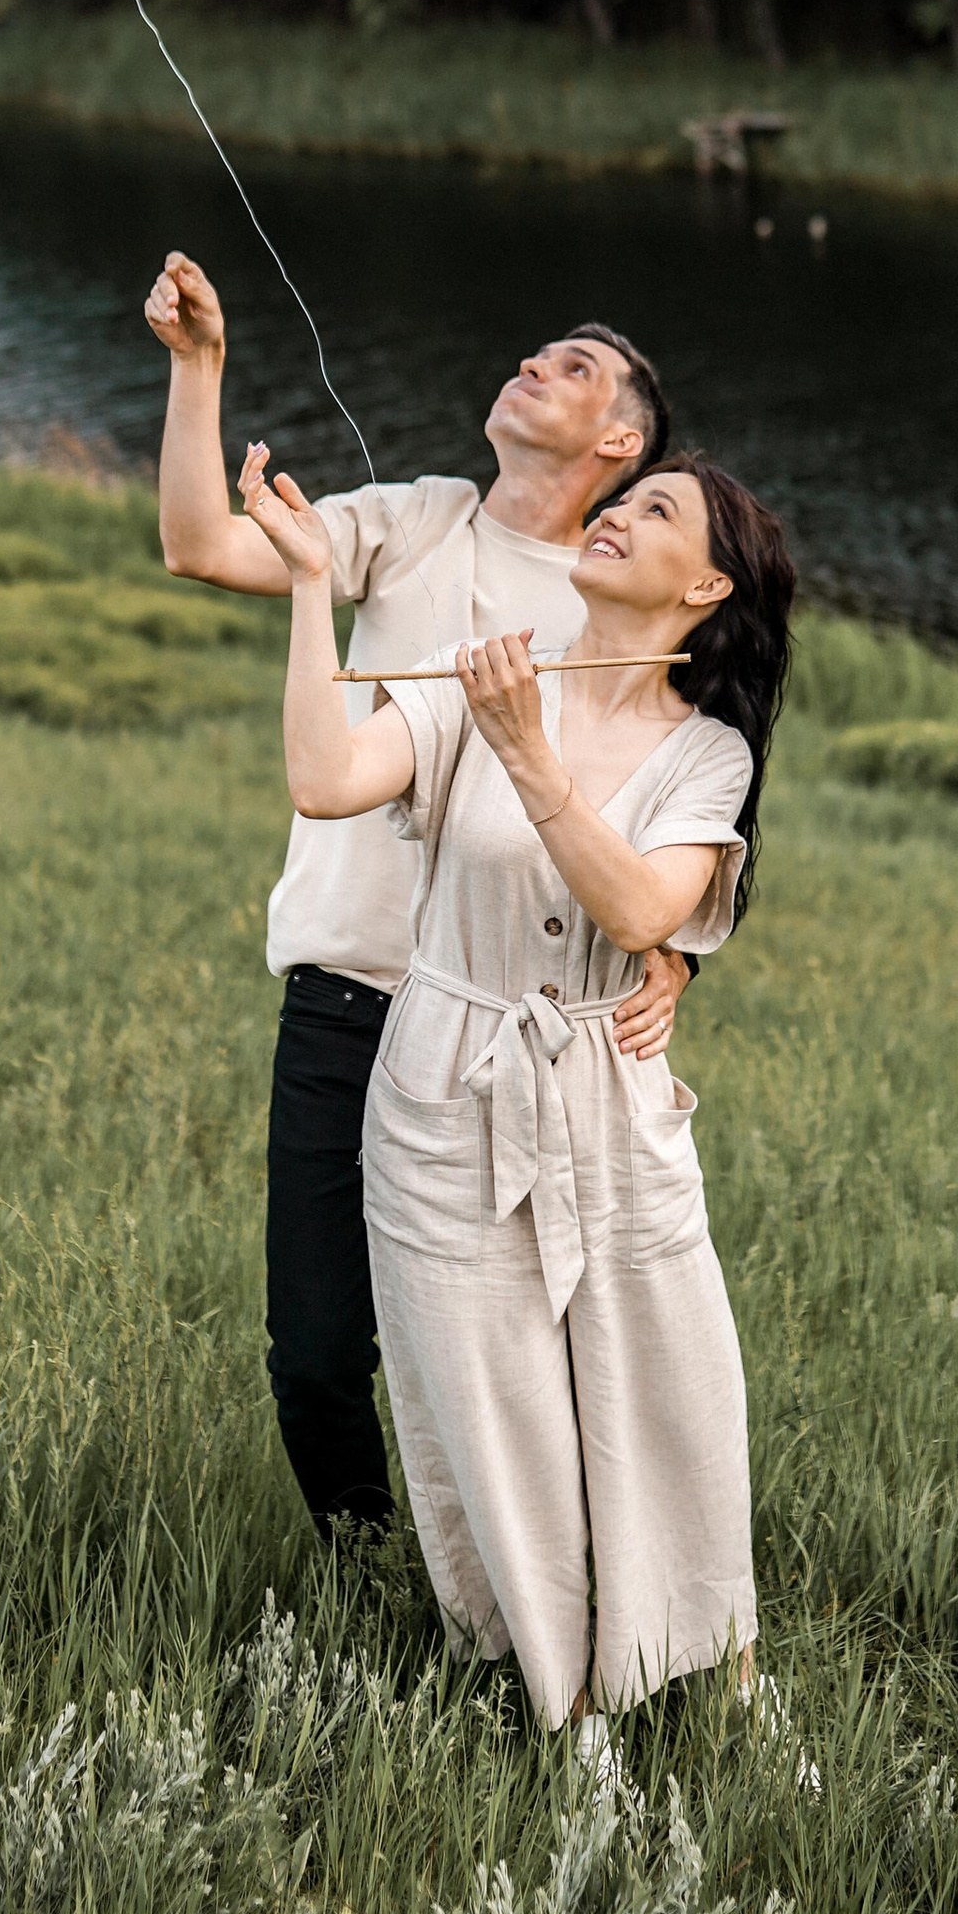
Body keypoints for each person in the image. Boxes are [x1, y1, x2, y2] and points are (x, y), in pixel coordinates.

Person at [234, 435, 794, 1731]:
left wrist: (528, 753)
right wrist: (314, 586)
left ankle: (714, 1673)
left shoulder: (707, 755)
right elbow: (324, 780)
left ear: (705, 591)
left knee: (666, 1392)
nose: (615, 516)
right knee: (493, 1413)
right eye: (622, 499)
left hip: (610, 1107)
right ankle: (566, 1707)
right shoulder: (476, 683)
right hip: (440, 1092)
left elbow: (643, 900)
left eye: (655, 510)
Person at [143, 253, 696, 1536]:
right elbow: (198, 544)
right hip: (349, 991)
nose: (531, 365)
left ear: (619, 439)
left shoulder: (623, 598)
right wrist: (198, 369)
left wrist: (672, 961)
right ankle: (367, 1567)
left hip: (511, 1022)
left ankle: (550, 1584)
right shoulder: (419, 518)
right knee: (321, 1349)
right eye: (534, 350)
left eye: (572, 368)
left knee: (524, 1342)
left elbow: (663, 807)